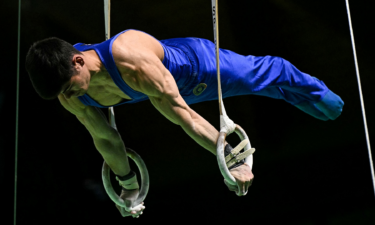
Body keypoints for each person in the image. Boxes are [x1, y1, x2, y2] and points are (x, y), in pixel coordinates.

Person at [25, 29, 344, 217]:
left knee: (267, 74)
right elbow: (106, 138)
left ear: (77, 61)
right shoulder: (69, 94)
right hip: (167, 94)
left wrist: (232, 159)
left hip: (199, 67)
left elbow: (184, 116)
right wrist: (129, 187)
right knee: (265, 83)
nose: (69, 97)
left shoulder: (130, 60)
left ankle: (322, 95)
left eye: (69, 87)